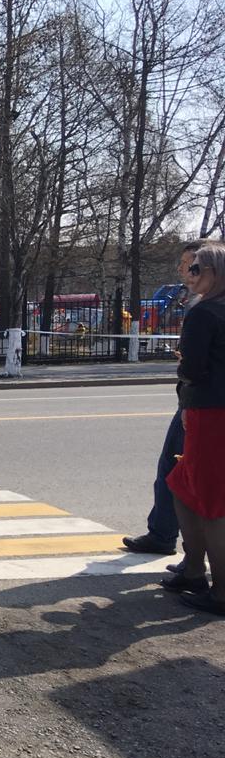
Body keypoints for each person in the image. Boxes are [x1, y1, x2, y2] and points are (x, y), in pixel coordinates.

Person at [123, 241, 204, 561]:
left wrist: (189, 363)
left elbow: (200, 365)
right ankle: (167, 536)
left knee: (178, 469)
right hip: (195, 399)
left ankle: (177, 545)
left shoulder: (208, 307)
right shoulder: (199, 303)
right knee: (177, 469)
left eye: (188, 264)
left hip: (201, 403)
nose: (183, 271)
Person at [164, 241, 225, 615]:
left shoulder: (204, 313)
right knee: (182, 485)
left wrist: (184, 367)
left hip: (209, 411)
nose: (189, 274)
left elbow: (193, 369)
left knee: (209, 500)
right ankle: (192, 569)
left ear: (215, 273)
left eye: (196, 268)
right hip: (214, 409)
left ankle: (220, 591)